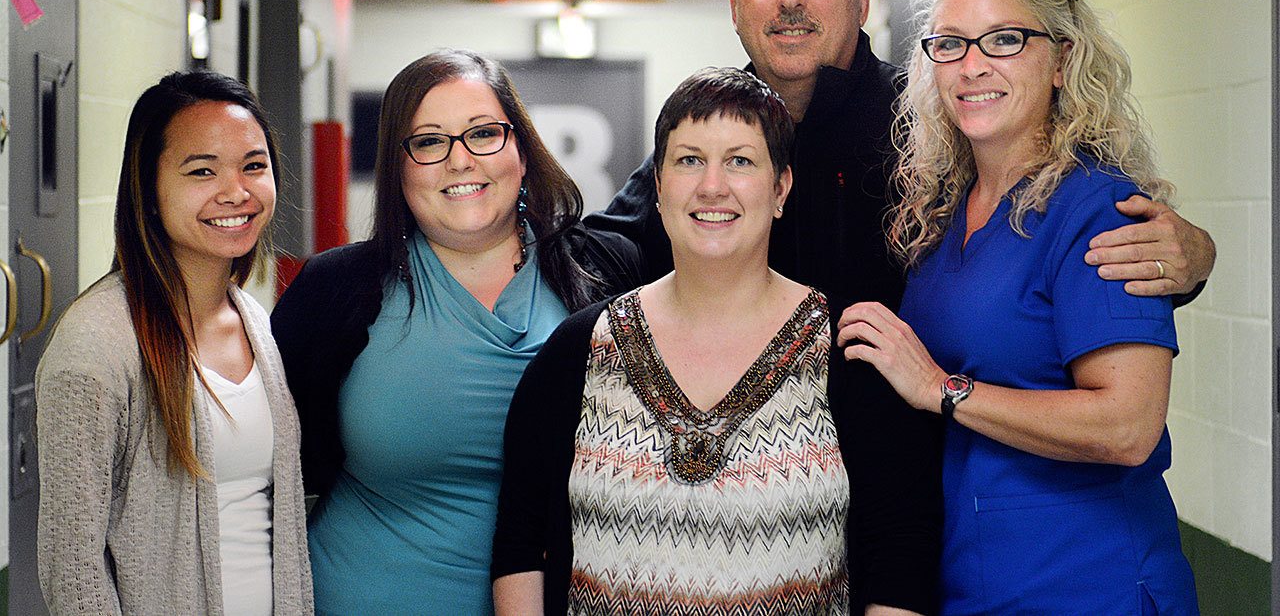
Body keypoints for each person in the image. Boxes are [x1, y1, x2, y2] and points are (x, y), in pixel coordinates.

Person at [587, 0, 1216, 324]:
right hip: (754, 470)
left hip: (909, 470)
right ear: (734, 6)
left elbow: (1070, 215)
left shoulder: (935, 120)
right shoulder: (717, 129)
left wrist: (1192, 256)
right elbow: (613, 246)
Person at [492, 68, 941, 615]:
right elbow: (519, 544)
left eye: (740, 161)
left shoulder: (848, 355)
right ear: (657, 188)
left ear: (781, 189)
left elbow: (902, 557)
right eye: (689, 160)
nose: (712, 186)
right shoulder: (578, 351)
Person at [836, 0, 1198, 613]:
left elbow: (1128, 424)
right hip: (972, 582)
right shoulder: (942, 211)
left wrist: (941, 388)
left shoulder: (1098, 211)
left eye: (1004, 39)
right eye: (950, 43)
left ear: (1062, 59)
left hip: (1091, 585)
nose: (972, 67)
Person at [271, 49, 642, 615]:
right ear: (400, 168)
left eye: (482, 134)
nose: (460, 160)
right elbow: (253, 469)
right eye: (429, 141)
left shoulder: (604, 274)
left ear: (521, 150)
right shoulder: (336, 290)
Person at [36, 70, 312, 615]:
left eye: (253, 166)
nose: (236, 191)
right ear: (151, 191)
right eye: (202, 170)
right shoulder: (97, 346)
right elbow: (73, 569)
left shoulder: (253, 319)